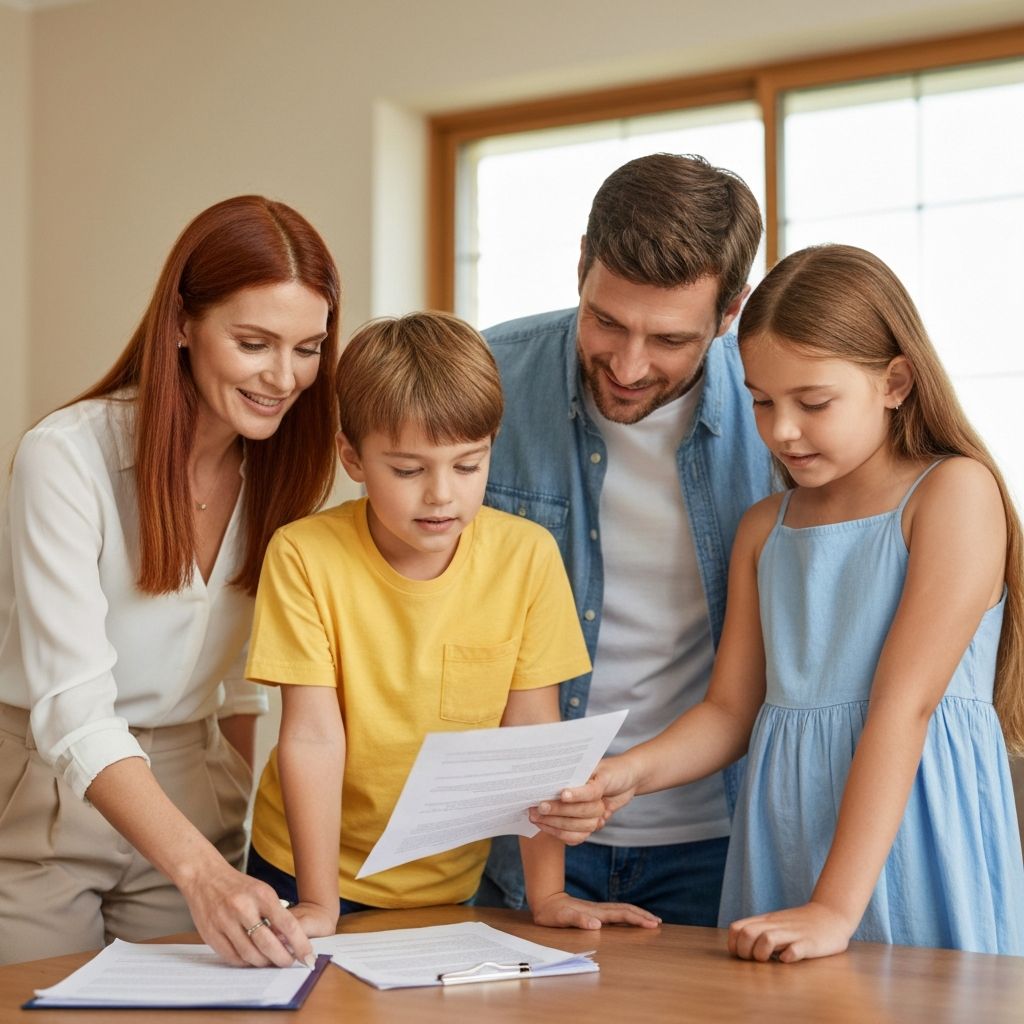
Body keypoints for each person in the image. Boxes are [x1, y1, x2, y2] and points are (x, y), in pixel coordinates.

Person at [541, 244, 1024, 959]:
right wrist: (626, 774)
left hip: (911, 836)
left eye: (813, 402)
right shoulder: (765, 528)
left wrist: (832, 906)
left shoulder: (952, 495)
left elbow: (905, 706)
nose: (781, 430)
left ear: (895, 382)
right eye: (762, 402)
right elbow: (730, 711)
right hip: (787, 839)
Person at [0, 195, 341, 968]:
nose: (284, 378)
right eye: (254, 343)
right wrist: (202, 872)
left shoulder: (281, 471)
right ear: (182, 325)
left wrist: (224, 826)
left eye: (308, 348)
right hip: (51, 791)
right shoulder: (67, 458)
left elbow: (249, 685)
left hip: (198, 793)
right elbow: (73, 706)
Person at [242, 311, 660, 934]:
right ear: (352, 458)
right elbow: (311, 738)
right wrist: (318, 902)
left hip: (446, 884)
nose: (442, 494)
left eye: (468, 466)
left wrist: (546, 898)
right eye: (409, 470)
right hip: (301, 872)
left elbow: (531, 743)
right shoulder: (304, 555)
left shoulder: (528, 556)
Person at [475, 153, 775, 924]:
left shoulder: (781, 418)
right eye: (606, 320)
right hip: (514, 836)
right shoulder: (490, 382)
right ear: (581, 263)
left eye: (670, 339)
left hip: (716, 839)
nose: (629, 364)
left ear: (730, 310)